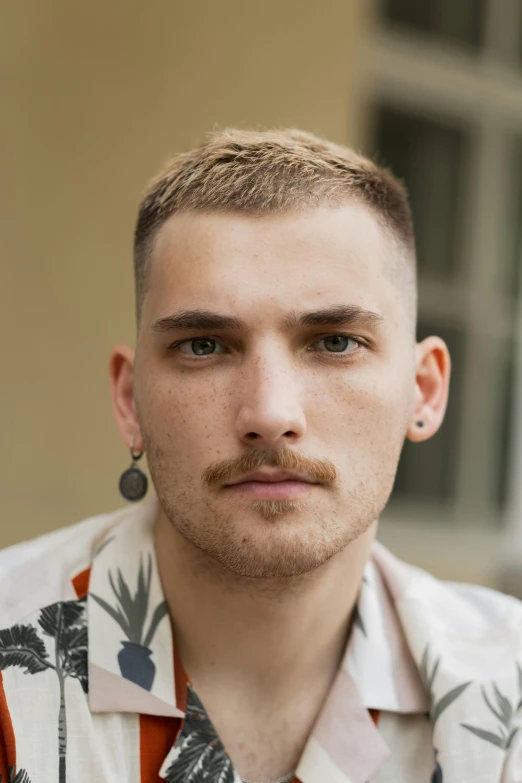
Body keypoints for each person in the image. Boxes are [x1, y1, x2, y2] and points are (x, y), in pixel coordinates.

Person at [1, 128, 521, 783]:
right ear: (130, 400)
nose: (270, 413)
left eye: (334, 342)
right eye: (203, 346)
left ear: (424, 389)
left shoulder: (510, 692)